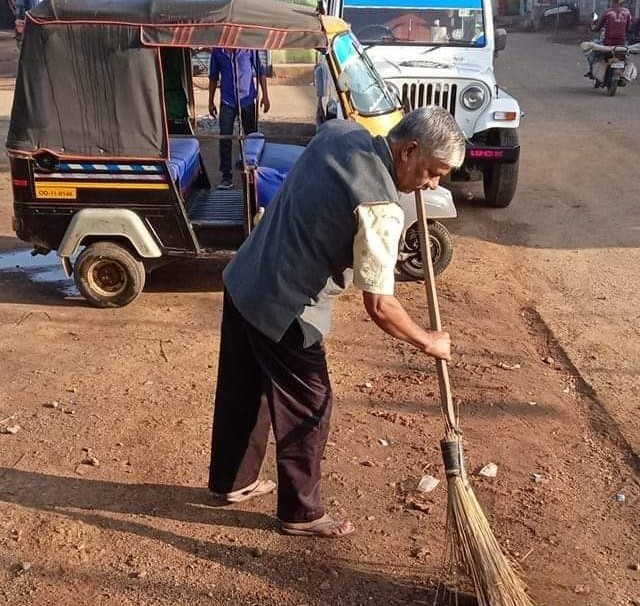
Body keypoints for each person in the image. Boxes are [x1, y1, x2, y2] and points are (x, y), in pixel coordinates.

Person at [208, 107, 465, 538]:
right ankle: (300, 514)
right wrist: (429, 341)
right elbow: (381, 305)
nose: (433, 184)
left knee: (246, 387)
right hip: (286, 306)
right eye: (433, 172)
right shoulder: (381, 209)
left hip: (245, 277)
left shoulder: (341, 133)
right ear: (409, 150)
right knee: (312, 405)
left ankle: (234, 481)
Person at [208, 48, 270, 189]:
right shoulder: (218, 51)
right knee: (225, 138)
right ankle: (226, 177)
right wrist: (210, 101)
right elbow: (213, 77)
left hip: (247, 100)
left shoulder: (249, 49)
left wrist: (265, 96)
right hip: (227, 101)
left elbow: (261, 71)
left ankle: (253, 176)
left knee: (252, 138)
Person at [586, 0, 632, 77]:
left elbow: (598, 27)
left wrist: (593, 28)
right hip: (621, 42)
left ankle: (591, 71)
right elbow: (629, 28)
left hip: (608, 42)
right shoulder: (627, 13)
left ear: (613, 2)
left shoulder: (607, 12)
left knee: (592, 52)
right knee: (625, 56)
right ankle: (623, 73)